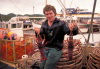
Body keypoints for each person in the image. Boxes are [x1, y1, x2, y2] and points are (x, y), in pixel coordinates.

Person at [34, 5, 78, 69]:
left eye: (50, 13)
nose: (49, 16)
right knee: (41, 66)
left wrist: (73, 28)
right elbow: (42, 37)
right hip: (45, 48)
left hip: (56, 49)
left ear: (55, 13)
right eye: (47, 14)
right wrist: (37, 32)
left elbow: (70, 32)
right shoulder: (44, 24)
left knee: (48, 67)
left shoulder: (61, 23)